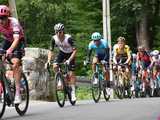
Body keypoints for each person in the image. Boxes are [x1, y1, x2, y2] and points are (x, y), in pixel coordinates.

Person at [0, 5, 25, 104]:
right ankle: (6, 81)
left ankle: (18, 92)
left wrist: (9, 51)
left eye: (3, 18)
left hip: (18, 41)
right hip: (7, 40)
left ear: (8, 17)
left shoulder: (13, 22)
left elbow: (16, 40)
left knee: (15, 64)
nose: (1, 20)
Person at [47, 23, 77, 101]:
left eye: (60, 32)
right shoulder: (54, 39)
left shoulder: (69, 38)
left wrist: (69, 60)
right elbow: (51, 50)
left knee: (71, 73)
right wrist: (48, 61)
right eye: (56, 32)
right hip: (62, 53)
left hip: (71, 54)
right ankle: (60, 79)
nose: (58, 34)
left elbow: (75, 51)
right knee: (55, 66)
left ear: (63, 31)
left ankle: (73, 92)